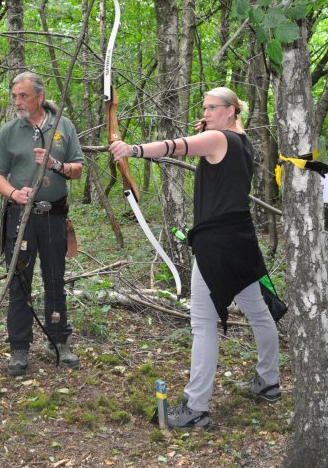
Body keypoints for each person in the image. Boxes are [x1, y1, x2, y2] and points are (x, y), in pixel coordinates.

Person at [108, 86, 281, 429]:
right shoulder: (242, 142)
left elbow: (177, 146)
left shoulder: (219, 139)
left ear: (232, 110)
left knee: (203, 323)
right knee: (258, 311)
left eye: (213, 107)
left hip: (217, 242)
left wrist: (133, 149)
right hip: (240, 238)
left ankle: (196, 407)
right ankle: (269, 381)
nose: (206, 113)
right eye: (205, 107)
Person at [0, 71, 84, 376]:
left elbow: (78, 169)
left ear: (40, 97)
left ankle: (58, 341)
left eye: (23, 95)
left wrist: (55, 165)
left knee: (55, 280)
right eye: (14, 95)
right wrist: (15, 193)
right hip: (20, 217)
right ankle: (19, 348)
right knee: (19, 282)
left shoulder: (63, 127)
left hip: (54, 217)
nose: (18, 101)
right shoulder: (9, 131)